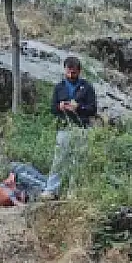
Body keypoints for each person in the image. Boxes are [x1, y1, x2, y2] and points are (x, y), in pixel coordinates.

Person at [43, 56, 98, 199]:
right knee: (59, 159)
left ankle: (73, 191)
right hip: (64, 127)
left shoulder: (87, 87)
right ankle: (51, 190)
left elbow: (93, 109)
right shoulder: (59, 87)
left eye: (73, 73)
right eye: (68, 72)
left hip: (81, 127)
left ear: (79, 71)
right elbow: (52, 109)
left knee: (78, 160)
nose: (70, 75)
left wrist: (79, 107)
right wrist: (60, 107)